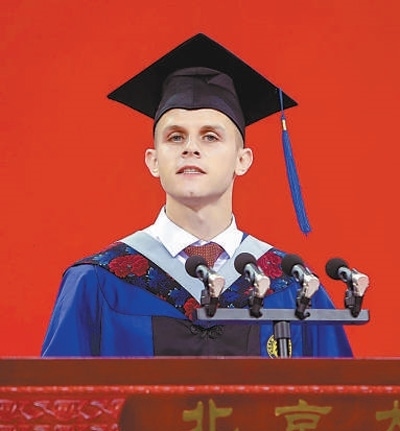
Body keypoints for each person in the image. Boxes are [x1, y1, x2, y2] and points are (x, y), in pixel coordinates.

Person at [41, 33, 353, 358]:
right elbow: (58, 391)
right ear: (153, 161)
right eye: (175, 137)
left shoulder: (293, 287)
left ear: (242, 160)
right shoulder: (97, 282)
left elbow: (340, 390)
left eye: (210, 137)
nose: (190, 148)